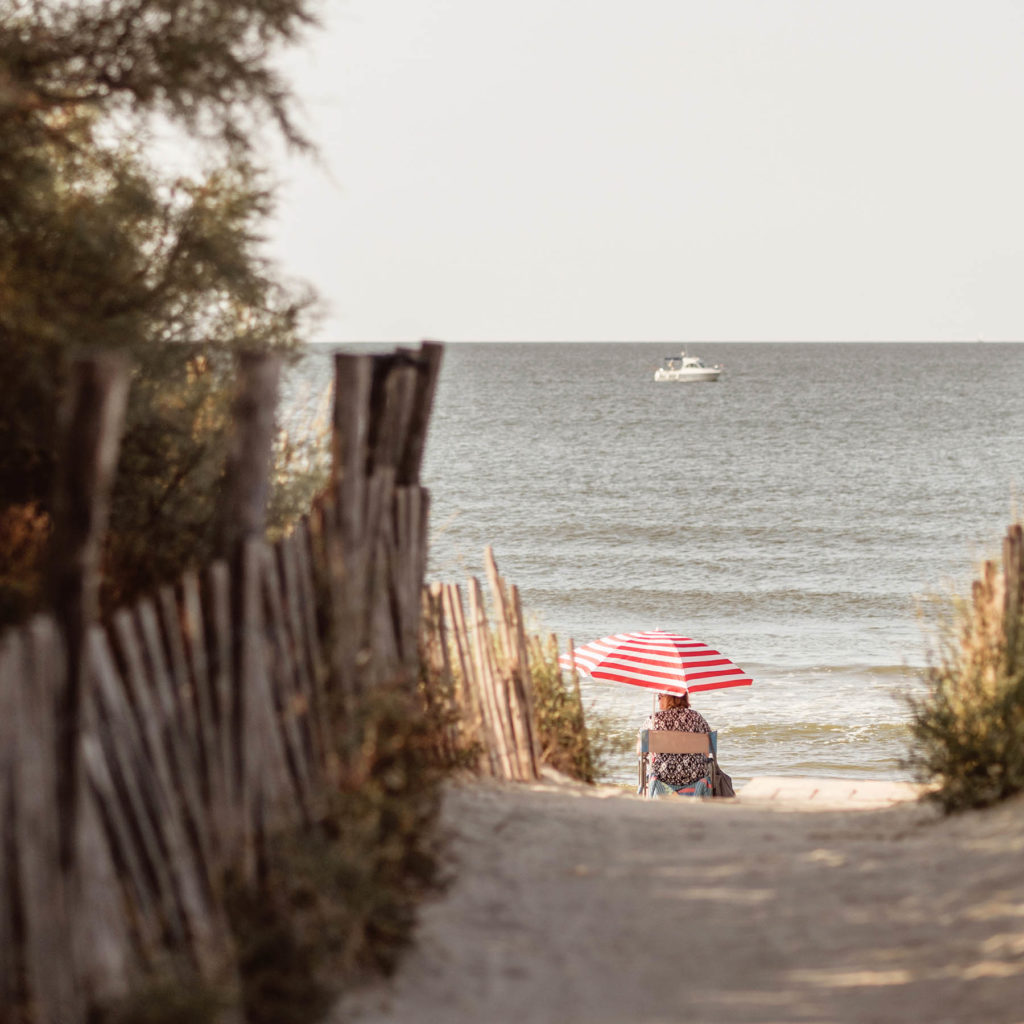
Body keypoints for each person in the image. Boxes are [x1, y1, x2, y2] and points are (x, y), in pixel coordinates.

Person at [641, 690, 711, 792]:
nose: (658, 700)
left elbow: (640, 750)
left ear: (671, 698)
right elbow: (708, 750)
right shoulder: (697, 718)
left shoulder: (654, 719)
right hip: (695, 777)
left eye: (660, 696)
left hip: (662, 777)